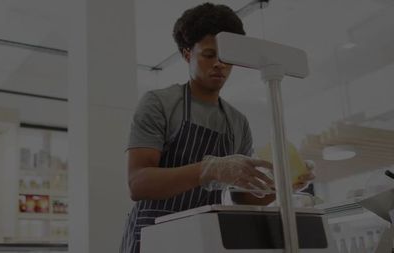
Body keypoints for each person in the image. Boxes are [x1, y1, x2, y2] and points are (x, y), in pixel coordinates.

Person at [120, 3, 314, 253]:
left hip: (206, 237)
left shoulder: (237, 122)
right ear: (187, 54)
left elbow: (243, 198)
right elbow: (138, 184)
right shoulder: (160, 103)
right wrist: (209, 169)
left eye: (226, 58)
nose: (220, 65)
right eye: (209, 55)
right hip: (154, 237)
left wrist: (285, 185)